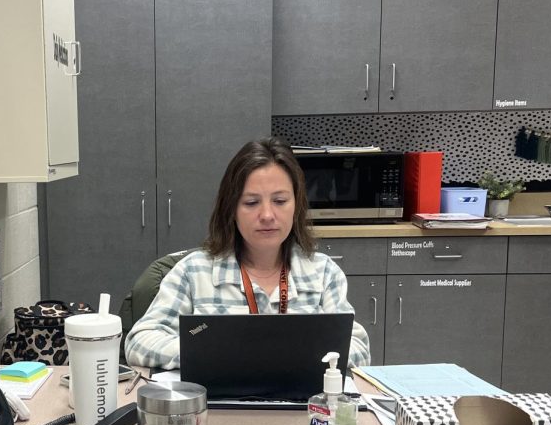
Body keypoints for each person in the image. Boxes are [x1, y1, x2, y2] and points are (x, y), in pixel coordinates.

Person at [124, 138, 371, 370]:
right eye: (251, 203)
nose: (266, 215)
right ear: (231, 208)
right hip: (217, 410)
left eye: (280, 201)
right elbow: (139, 341)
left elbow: (359, 348)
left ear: (296, 205)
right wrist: (206, 352)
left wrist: (293, 355)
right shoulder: (193, 272)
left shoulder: (323, 272)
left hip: (304, 411)